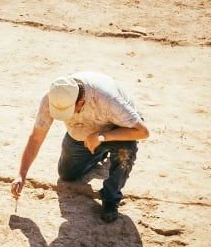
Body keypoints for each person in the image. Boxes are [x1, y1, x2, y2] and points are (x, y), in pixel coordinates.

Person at [11, 72, 150, 223]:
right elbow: (36, 137)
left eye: (69, 111)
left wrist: (101, 137)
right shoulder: (53, 97)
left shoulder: (107, 99)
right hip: (80, 136)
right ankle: (99, 154)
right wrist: (21, 174)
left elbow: (143, 132)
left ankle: (111, 198)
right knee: (67, 175)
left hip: (117, 132)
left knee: (125, 151)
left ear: (81, 101)